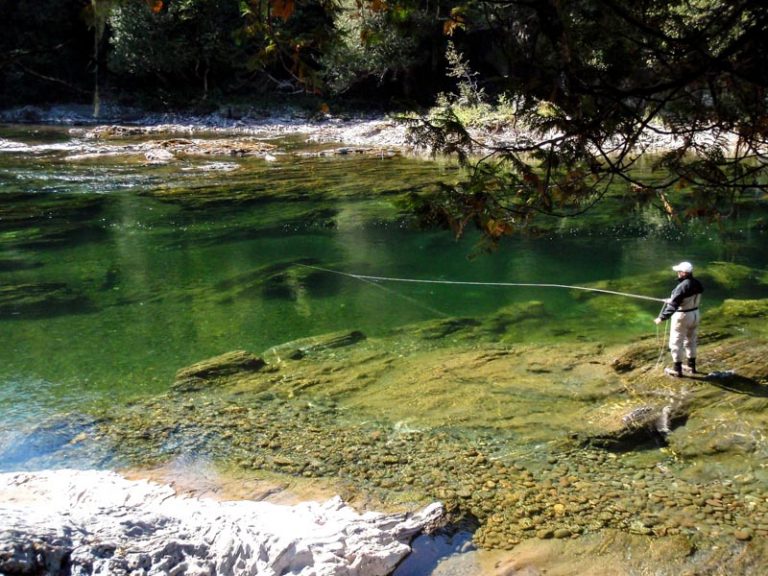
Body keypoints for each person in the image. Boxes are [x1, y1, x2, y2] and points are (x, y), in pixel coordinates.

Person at [654, 261, 704, 377]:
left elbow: (674, 305)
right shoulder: (697, 283)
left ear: (683, 273)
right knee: (691, 341)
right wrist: (672, 299)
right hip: (695, 314)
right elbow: (685, 298)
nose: (677, 273)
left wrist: (662, 317)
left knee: (675, 343)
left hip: (682, 316)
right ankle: (692, 367)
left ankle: (677, 370)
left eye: (679, 271)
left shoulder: (682, 286)